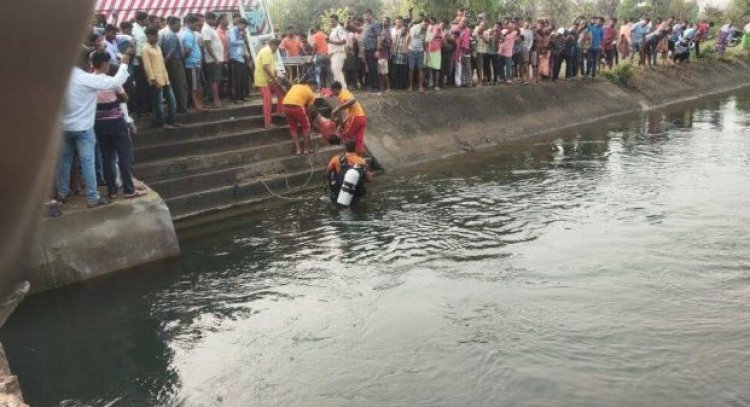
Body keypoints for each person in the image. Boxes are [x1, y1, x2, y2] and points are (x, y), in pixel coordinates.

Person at [57, 47, 131, 208]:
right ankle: (92, 197)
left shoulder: (62, 77)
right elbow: (114, 82)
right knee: (87, 162)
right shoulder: (85, 78)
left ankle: (62, 194)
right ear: (85, 62)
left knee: (65, 161)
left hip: (65, 127)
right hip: (83, 128)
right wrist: (124, 64)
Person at [90, 51, 146, 200]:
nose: (109, 66)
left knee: (107, 158)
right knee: (124, 156)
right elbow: (125, 97)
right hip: (115, 122)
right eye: (108, 63)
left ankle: (112, 191)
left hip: (99, 124)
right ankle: (128, 189)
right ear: (103, 64)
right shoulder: (110, 81)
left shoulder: (88, 82)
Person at [142, 26, 177, 128]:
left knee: (171, 101)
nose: (156, 37)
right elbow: (147, 67)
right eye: (154, 36)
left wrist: (167, 78)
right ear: (148, 36)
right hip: (156, 81)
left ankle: (172, 121)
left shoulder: (158, 47)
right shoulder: (145, 49)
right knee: (158, 104)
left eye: (156, 35)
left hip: (165, 79)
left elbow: (162, 64)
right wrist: (154, 80)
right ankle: (161, 123)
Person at [324, 140, 371, 205]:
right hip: (357, 192)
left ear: (344, 148)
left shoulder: (336, 159)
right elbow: (369, 178)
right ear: (355, 148)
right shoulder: (361, 161)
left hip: (341, 192)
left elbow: (327, 174)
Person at [159, 17, 188, 113]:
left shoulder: (164, 33)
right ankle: (182, 107)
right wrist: (165, 61)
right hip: (175, 62)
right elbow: (171, 52)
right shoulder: (172, 35)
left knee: (175, 85)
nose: (179, 27)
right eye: (177, 25)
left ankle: (177, 106)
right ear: (171, 24)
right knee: (180, 85)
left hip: (170, 63)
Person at [330, 81, 367, 155]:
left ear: (336, 89)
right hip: (362, 118)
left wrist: (338, 108)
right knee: (359, 141)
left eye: (333, 91)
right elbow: (349, 111)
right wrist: (343, 121)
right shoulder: (344, 93)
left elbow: (353, 100)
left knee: (345, 135)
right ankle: (360, 161)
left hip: (356, 117)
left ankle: (348, 157)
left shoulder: (342, 94)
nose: (333, 94)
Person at [255, 39, 284, 128]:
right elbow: (265, 67)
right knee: (268, 101)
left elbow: (273, 67)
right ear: (273, 45)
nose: (278, 48)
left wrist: (276, 77)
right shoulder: (266, 51)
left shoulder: (272, 52)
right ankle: (267, 123)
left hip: (269, 80)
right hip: (263, 81)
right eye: (277, 46)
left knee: (281, 92)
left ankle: (280, 111)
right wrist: (274, 79)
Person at [283, 79, 316, 155]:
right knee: (306, 127)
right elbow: (310, 109)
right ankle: (306, 149)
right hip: (297, 106)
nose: (315, 89)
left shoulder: (296, 86)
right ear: (312, 86)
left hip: (285, 105)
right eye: (315, 87)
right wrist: (310, 121)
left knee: (293, 128)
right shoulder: (311, 94)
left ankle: (298, 149)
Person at [182, 15, 205, 111]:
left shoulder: (191, 33)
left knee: (197, 85)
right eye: (195, 24)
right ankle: (196, 105)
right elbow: (187, 50)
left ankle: (198, 103)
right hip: (192, 64)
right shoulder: (188, 34)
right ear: (189, 23)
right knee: (194, 86)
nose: (197, 26)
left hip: (195, 63)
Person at [202, 12, 225, 108]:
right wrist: (215, 58)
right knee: (214, 81)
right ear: (208, 19)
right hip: (212, 60)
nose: (214, 21)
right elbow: (207, 45)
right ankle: (216, 100)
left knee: (218, 80)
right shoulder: (206, 29)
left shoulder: (210, 28)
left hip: (217, 59)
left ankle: (217, 98)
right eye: (213, 19)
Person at [229, 18, 250, 102]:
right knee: (236, 79)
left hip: (241, 57)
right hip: (235, 57)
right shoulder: (233, 30)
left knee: (242, 78)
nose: (244, 28)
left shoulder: (240, 32)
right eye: (244, 26)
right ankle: (236, 97)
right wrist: (242, 40)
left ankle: (241, 96)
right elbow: (233, 41)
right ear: (240, 24)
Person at [362, 9, 382, 91]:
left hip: (373, 49)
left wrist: (377, 50)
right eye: (365, 15)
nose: (366, 17)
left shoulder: (376, 24)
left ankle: (376, 87)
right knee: (369, 69)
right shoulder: (365, 24)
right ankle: (372, 86)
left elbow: (379, 37)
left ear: (371, 15)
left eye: (368, 15)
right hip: (366, 50)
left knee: (374, 69)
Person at [407, 18, 428, 92]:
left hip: (420, 51)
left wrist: (426, 53)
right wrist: (407, 49)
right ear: (422, 22)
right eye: (424, 24)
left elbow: (425, 43)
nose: (425, 26)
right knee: (411, 69)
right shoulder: (414, 28)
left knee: (420, 69)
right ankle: (410, 86)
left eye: (427, 25)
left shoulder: (427, 31)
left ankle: (420, 87)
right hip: (411, 50)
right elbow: (409, 38)